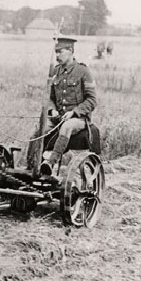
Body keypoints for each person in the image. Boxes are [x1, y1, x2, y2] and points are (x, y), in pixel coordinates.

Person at [40, 36, 97, 177]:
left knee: (67, 127)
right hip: (58, 117)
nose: (57, 56)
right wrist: (52, 109)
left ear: (71, 51)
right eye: (56, 52)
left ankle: (50, 162)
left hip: (79, 119)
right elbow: (50, 97)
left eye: (60, 52)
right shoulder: (56, 71)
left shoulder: (83, 71)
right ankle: (33, 163)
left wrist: (74, 112)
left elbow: (92, 100)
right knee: (39, 129)